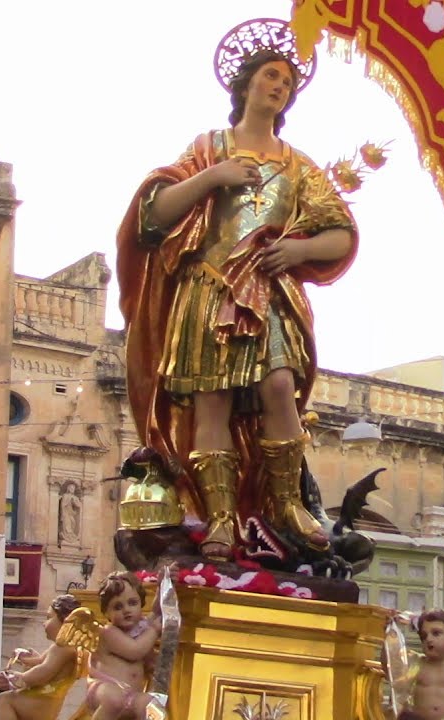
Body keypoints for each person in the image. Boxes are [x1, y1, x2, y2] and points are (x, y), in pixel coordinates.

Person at [117, 30, 358, 561]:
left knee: (279, 386)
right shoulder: (209, 149)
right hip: (209, 285)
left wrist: (298, 252)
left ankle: (287, 501)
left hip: (269, 290)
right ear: (245, 83)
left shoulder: (299, 166)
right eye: (271, 75)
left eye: (288, 81)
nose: (279, 86)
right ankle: (221, 516)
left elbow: (341, 231)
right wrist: (213, 177)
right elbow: (153, 215)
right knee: (213, 401)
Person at [0, 594, 89, 720]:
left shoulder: (63, 647)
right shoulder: (62, 648)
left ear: (65, 621)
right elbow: (41, 662)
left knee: (4, 700)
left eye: (49, 618)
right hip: (47, 704)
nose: (44, 623)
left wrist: (17, 678)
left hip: (42, 701)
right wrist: (26, 658)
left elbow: (43, 672)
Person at [85, 572, 160, 719]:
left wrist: (163, 585)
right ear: (106, 612)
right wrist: (155, 630)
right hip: (105, 689)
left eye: (132, 603)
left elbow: (157, 612)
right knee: (114, 700)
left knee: (150, 705)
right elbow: (135, 651)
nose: (126, 610)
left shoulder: (141, 630)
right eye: (118, 607)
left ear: (141, 603)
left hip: (132, 696)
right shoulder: (108, 632)